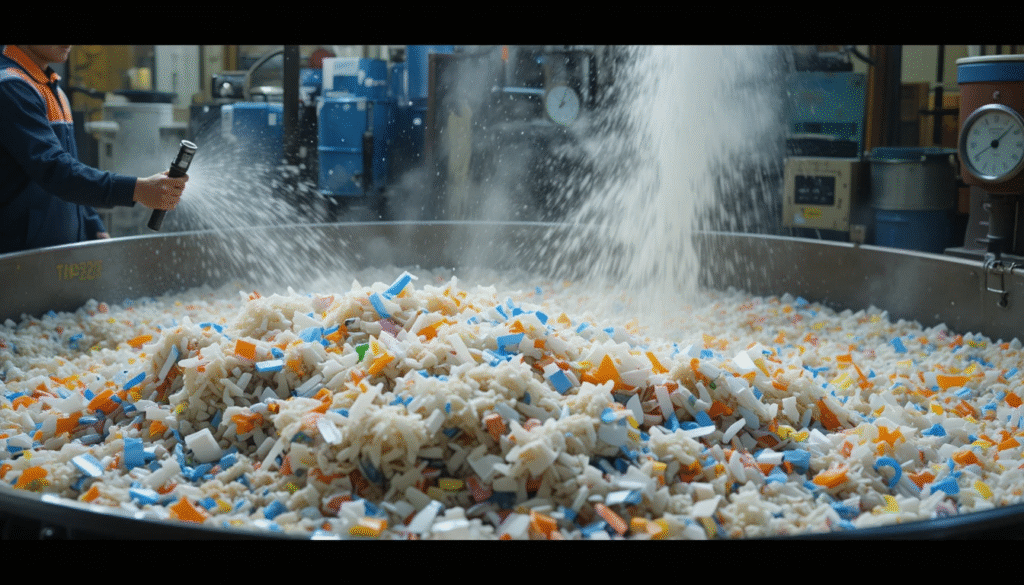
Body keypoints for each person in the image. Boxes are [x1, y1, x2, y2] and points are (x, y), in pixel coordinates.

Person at [0, 45, 188, 254]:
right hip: (19, 261)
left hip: (55, 256)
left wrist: (91, 223)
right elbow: (56, 171)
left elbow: (71, 168)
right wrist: (137, 190)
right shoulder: (10, 87)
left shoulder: (53, 90)